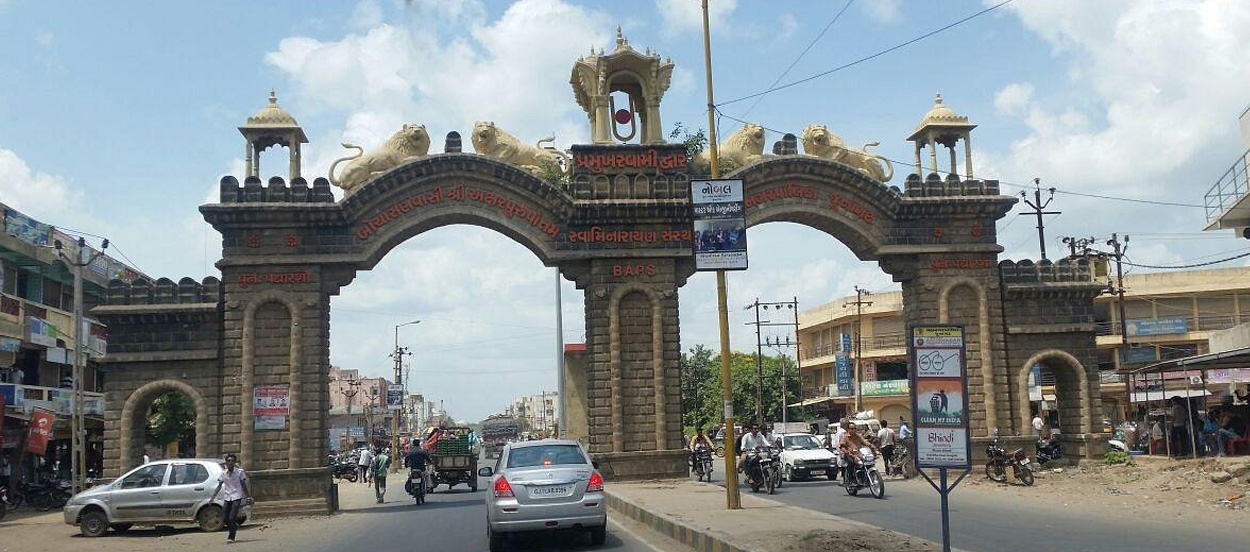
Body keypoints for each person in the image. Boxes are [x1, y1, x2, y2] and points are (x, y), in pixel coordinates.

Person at [209, 453, 252, 544]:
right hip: (227, 497)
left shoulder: (240, 472)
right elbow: (219, 485)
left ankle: (231, 536)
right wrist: (212, 498)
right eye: (228, 461)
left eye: (232, 461)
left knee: (232, 517)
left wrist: (248, 496)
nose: (230, 463)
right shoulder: (223, 473)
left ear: (235, 462)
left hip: (237, 496)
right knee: (224, 517)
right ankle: (234, 526)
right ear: (226, 463)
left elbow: (243, 485)